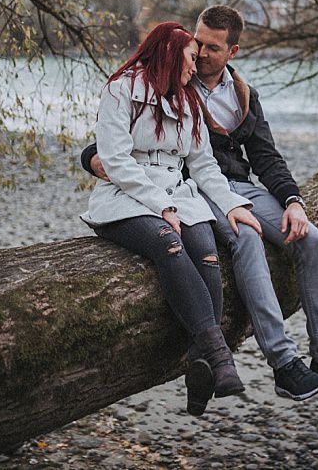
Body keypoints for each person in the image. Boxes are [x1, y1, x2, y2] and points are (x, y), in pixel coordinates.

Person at [82, 6, 318, 401]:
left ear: (232, 52)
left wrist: (293, 200)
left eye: (211, 48)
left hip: (232, 186)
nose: (201, 54)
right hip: (187, 189)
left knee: (312, 240)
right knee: (246, 239)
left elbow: (265, 155)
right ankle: (283, 363)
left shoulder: (242, 95)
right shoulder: (171, 82)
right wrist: (90, 157)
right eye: (197, 44)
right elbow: (123, 141)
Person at [81, 21, 263, 417]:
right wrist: (159, 204)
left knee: (208, 253)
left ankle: (199, 364)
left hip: (178, 194)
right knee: (170, 242)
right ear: (168, 53)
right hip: (126, 195)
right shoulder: (120, 90)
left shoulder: (188, 101)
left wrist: (231, 204)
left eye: (198, 60)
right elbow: (113, 159)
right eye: (190, 59)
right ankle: (220, 355)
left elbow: (203, 165)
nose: (194, 68)